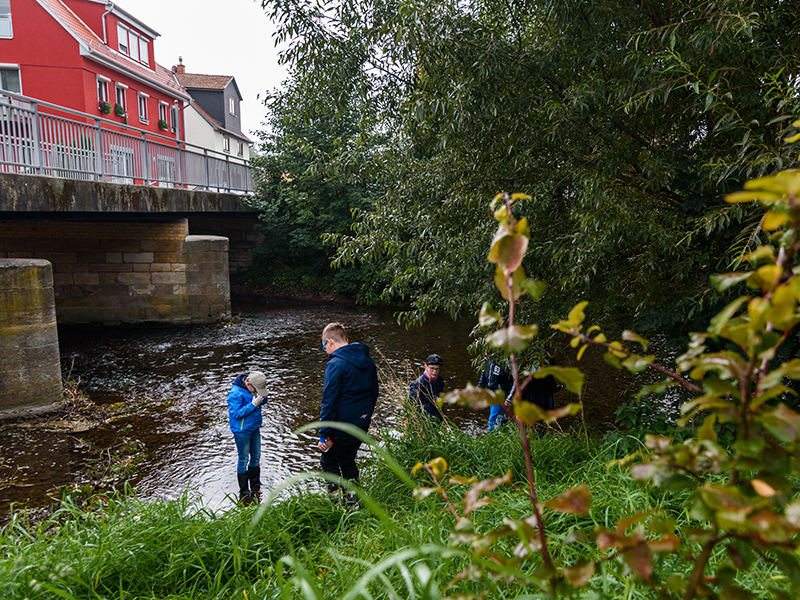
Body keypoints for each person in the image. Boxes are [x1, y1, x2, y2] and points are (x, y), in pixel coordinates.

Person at [318, 322, 379, 504]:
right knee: (347, 459)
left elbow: (329, 401)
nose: (325, 351)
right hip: (361, 423)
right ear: (347, 339)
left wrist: (323, 434)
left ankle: (337, 504)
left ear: (329, 342)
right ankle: (354, 501)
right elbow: (374, 393)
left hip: (341, 426)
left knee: (328, 461)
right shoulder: (368, 361)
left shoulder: (335, 364)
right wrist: (365, 416)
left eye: (324, 347)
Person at [227, 370, 268, 505]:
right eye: (256, 389)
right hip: (242, 431)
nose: (258, 391)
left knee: (256, 455)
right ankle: (244, 490)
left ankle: (255, 484)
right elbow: (236, 414)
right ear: (248, 384)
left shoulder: (254, 386)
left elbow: (264, 400)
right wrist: (253, 404)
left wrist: (262, 397)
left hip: (254, 427)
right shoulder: (235, 393)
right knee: (243, 458)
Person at [478, 355, 513, 430]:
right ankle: (505, 430)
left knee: (492, 420)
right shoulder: (487, 361)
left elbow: (513, 381)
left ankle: (492, 437)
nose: (487, 353)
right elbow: (483, 376)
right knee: (499, 416)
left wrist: (509, 398)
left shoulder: (504, 363)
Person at [408, 354, 445, 423]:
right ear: (425, 367)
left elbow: (440, 399)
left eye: (437, 369)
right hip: (421, 421)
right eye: (432, 368)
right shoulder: (418, 383)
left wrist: (442, 418)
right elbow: (410, 403)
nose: (434, 371)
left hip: (435, 419)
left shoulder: (440, 380)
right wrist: (407, 421)